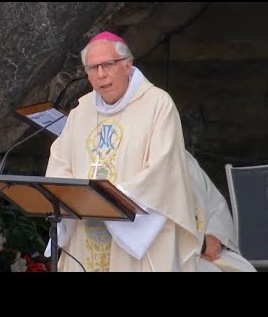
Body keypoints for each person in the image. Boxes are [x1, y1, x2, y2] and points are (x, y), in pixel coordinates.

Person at [44, 31, 200, 272]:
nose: (101, 75)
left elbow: (163, 170)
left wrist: (109, 201)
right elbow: (60, 163)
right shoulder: (81, 111)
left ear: (128, 65)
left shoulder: (158, 104)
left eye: (108, 64)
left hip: (136, 235)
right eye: (92, 68)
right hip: (86, 230)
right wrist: (76, 199)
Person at [186, 151, 256, 272]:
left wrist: (214, 236)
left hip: (208, 253)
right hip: (176, 256)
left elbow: (215, 205)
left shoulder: (184, 159)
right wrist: (202, 244)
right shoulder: (145, 164)